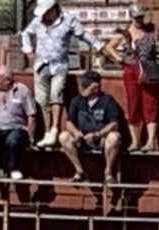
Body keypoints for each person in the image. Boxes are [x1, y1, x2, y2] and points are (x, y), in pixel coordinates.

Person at [102, 3, 159, 153]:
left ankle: (150, 141)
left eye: (141, 17)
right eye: (137, 18)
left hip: (149, 70)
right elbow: (108, 48)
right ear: (132, 18)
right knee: (133, 104)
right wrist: (118, 58)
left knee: (151, 104)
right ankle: (135, 141)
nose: (140, 20)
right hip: (131, 70)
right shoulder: (125, 34)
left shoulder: (152, 30)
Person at [21, 0, 104, 148]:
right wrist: (28, 51)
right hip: (41, 64)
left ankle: (54, 128)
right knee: (41, 99)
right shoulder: (38, 21)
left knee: (56, 93)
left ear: (53, 10)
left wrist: (98, 45)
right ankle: (48, 132)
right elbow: (26, 34)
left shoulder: (68, 20)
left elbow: (83, 34)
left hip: (59, 64)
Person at [60, 70, 123, 183]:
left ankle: (108, 172)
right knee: (63, 136)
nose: (82, 88)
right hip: (82, 138)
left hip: (101, 138)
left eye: (86, 86)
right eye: (82, 85)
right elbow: (69, 122)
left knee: (114, 137)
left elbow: (114, 124)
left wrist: (98, 135)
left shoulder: (107, 100)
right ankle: (79, 171)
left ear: (95, 87)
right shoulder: (76, 100)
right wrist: (76, 132)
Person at [0, 66, 36, 180]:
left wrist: (30, 136)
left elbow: (31, 115)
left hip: (17, 128)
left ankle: (14, 168)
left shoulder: (22, 90)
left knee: (13, 140)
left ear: (8, 80)